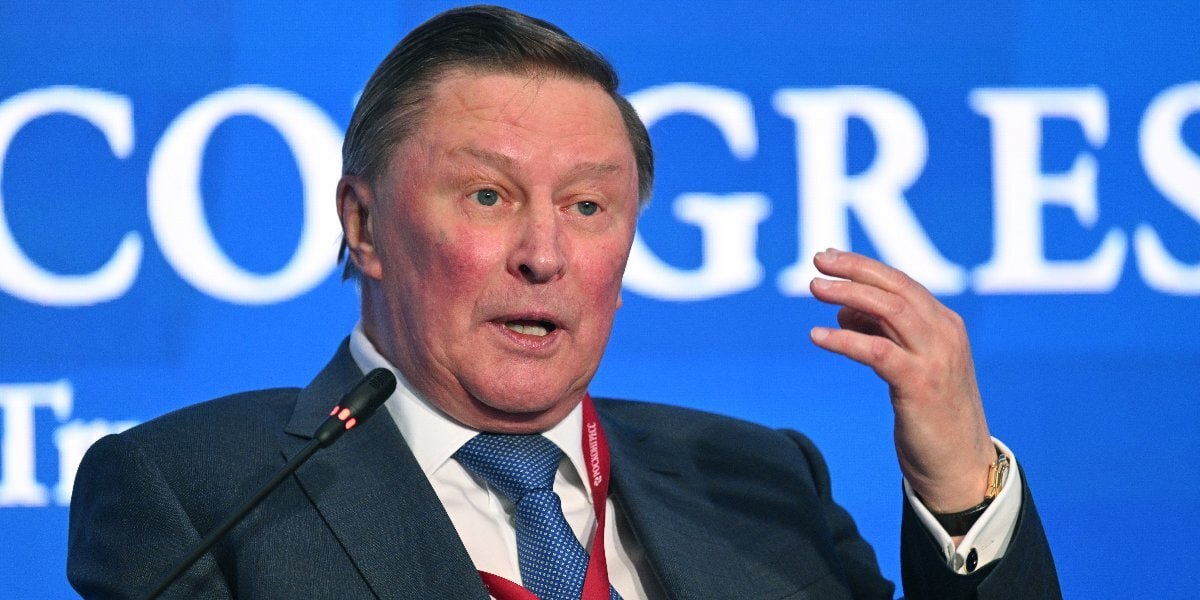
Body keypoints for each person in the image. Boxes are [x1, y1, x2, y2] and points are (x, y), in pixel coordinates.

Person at [67, 5, 1060, 599]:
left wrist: (959, 491)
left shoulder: (760, 482)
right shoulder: (198, 493)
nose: (544, 255)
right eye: (487, 197)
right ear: (363, 226)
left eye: (588, 207)